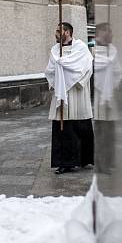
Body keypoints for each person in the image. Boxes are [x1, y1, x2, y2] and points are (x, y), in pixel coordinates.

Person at [45, 22, 95, 174]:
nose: (56, 34)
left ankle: (84, 159)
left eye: (58, 31)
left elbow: (87, 67)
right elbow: (50, 70)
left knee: (80, 125)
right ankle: (64, 162)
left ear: (67, 32)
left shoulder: (81, 48)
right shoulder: (55, 50)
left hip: (77, 93)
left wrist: (77, 81)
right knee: (63, 128)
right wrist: (57, 79)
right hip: (62, 93)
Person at [93, 23, 122, 174]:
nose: (112, 34)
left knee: (110, 131)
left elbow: (118, 71)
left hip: (110, 95)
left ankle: (109, 161)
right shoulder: (94, 51)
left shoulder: (113, 51)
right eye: (109, 31)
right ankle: (100, 163)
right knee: (100, 131)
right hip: (98, 96)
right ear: (101, 33)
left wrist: (114, 86)